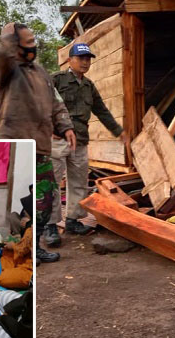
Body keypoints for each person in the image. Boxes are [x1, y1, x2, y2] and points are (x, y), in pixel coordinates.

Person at [0, 22, 76, 264]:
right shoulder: (5, 70)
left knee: (45, 200)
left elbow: (56, 103)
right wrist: (7, 38)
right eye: (28, 42)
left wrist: (66, 127)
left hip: (40, 148)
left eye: (34, 40)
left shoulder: (41, 72)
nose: (33, 45)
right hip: (14, 147)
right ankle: (8, 248)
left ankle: (33, 248)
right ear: (15, 46)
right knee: (13, 199)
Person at [47, 42, 128, 244]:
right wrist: (47, 128)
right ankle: (50, 226)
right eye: (81, 58)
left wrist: (118, 131)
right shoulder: (56, 80)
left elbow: (101, 110)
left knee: (79, 182)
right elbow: (39, 105)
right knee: (52, 182)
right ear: (69, 60)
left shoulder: (89, 86)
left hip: (80, 140)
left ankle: (73, 219)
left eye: (88, 59)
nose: (85, 62)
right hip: (57, 139)